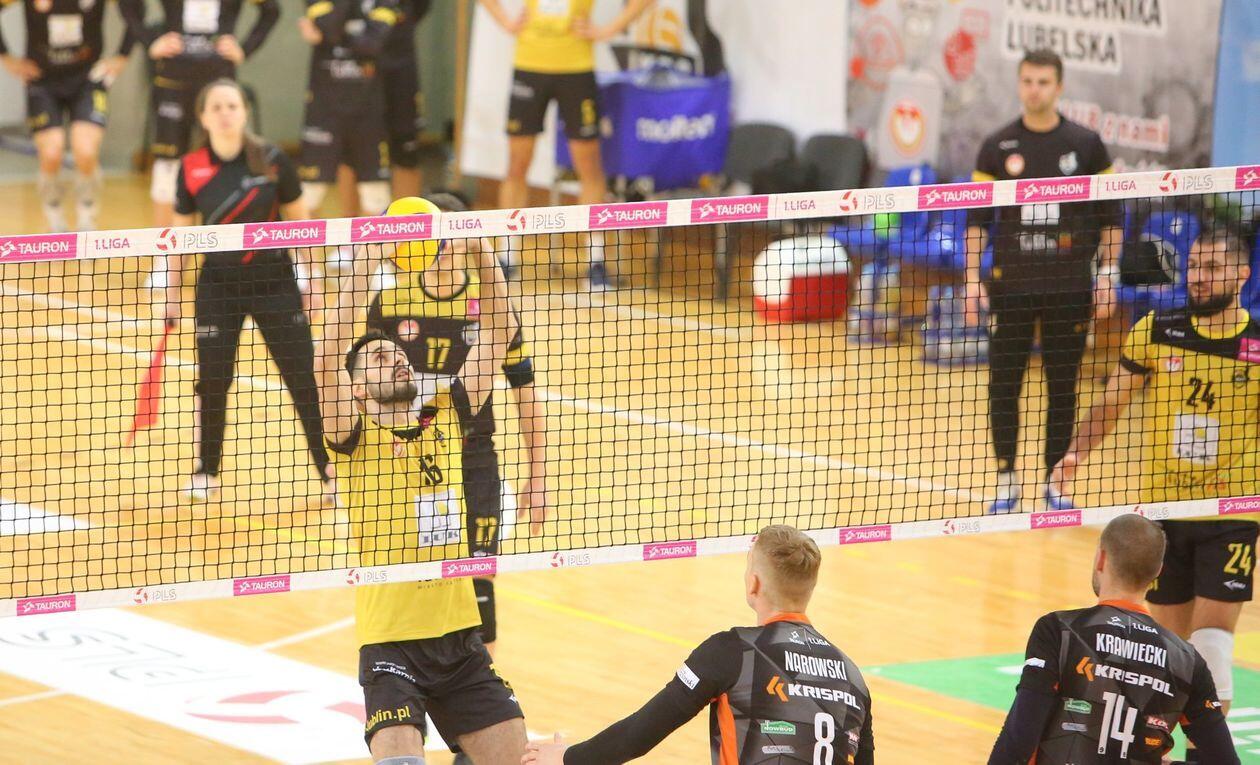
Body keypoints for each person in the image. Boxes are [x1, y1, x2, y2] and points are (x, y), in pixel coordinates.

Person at [317, 210, 528, 764]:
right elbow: (325, 356)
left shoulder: (446, 416)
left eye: (396, 353)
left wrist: (482, 253)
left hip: (460, 637)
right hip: (391, 641)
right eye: (377, 358)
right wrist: (366, 259)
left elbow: (498, 333)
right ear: (356, 390)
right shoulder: (352, 437)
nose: (395, 359)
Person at [1050, 228, 1259, 763]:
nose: (1198, 277)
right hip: (1163, 514)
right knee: (1168, 658)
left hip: (1231, 510)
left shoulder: (1256, 344)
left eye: (1213, 268)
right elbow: (1113, 400)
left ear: (1242, 275)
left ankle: (1202, 755)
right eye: (1194, 266)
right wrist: (1076, 453)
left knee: (1212, 646)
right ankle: (1155, 754)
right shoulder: (1157, 329)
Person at [361, 192, 549, 660]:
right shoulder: (390, 301)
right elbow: (361, 380)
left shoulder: (491, 307)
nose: (442, 247)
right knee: (414, 583)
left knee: (480, 587)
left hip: (473, 457)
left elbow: (525, 391)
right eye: (433, 237)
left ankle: (480, 690)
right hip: (407, 462)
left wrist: (538, 475)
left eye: (450, 236)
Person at [524, 524, 874, 765]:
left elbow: (641, 732)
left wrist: (568, 758)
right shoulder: (853, 677)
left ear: (753, 584)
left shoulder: (731, 652)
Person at [965, 48, 1122, 515]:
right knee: (1003, 385)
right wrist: (972, 279)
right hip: (1010, 287)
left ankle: (1055, 481)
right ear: (1019, 84)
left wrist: (1108, 274)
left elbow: (1111, 217)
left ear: (1059, 86)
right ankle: (1006, 480)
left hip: (1069, 287)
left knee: (1063, 387)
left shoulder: (1086, 145)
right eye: (1027, 81)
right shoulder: (997, 146)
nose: (1034, 90)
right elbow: (976, 221)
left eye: (1043, 82)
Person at [160, 79, 331, 506]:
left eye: (232, 105)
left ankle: (328, 470)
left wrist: (312, 280)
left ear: (244, 112)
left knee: (304, 378)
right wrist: (171, 293)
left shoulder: (272, 160)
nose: (225, 113)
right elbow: (180, 238)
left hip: (276, 284)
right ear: (203, 117)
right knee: (213, 381)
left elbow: (301, 224)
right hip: (218, 288)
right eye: (216, 106)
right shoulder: (191, 167)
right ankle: (206, 469)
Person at [988, 514, 1239, 764]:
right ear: (1158, 572)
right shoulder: (1189, 661)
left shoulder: (1058, 630)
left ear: (1101, 558)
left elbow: (1018, 738)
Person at [477, 0, 656, 289]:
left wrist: (608, 30)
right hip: (529, 66)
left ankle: (595, 261)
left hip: (576, 70)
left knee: (589, 167)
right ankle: (507, 255)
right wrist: (506, 21)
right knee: (517, 164)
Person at [119, 0, 280, 230]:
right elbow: (127, 5)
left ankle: (224, 242)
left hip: (218, 81)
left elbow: (271, 10)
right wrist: (150, 41)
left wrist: (245, 48)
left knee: (226, 158)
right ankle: (165, 248)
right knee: (168, 165)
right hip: (174, 82)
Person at [0, 0, 133, 231]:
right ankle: (54, 216)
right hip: (42, 81)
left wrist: (122, 56)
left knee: (86, 150)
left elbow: (136, 11)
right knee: (51, 152)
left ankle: (87, 215)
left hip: (88, 80)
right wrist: (6, 57)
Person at [297, 0, 396, 224]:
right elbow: (330, 26)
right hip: (324, 111)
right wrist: (343, 31)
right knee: (310, 192)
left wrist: (331, 35)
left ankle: (372, 247)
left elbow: (371, 45)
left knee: (376, 194)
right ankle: (305, 249)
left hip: (368, 110)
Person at [333, 0, 431, 217]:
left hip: (400, 65)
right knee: (350, 151)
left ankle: (410, 228)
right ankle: (349, 233)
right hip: (353, 66)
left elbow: (420, 8)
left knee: (405, 148)